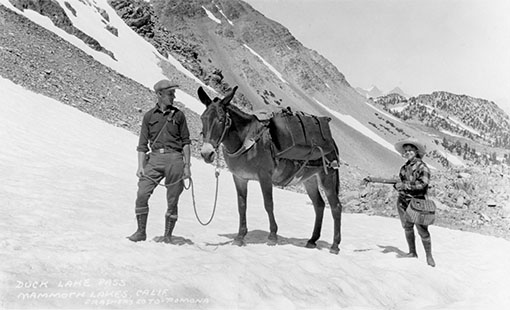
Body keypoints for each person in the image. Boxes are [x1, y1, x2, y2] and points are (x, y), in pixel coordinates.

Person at [127, 79, 192, 244]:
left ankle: (168, 236)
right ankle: (141, 232)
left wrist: (187, 167)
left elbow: (186, 142)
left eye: (173, 93)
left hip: (175, 158)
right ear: (160, 95)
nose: (174, 96)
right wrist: (141, 166)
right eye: (170, 93)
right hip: (154, 159)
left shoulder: (179, 115)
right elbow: (142, 145)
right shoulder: (149, 116)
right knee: (142, 193)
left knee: (173, 199)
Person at [363, 138, 436, 267]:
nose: (407, 152)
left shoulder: (422, 167)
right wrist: (397, 186)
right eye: (406, 151)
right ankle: (412, 252)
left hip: (418, 201)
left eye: (410, 150)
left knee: (422, 229)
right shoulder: (404, 168)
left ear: (416, 151)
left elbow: (423, 184)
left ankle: (429, 256)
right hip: (403, 200)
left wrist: (405, 185)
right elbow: (400, 182)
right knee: (407, 227)